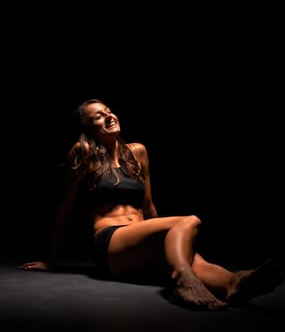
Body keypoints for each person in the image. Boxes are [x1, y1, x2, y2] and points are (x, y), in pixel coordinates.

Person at [19, 98, 282, 311]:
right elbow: (66, 209)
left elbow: (148, 204)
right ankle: (183, 283)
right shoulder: (82, 153)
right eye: (98, 116)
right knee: (188, 221)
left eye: (109, 111)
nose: (109, 116)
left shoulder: (138, 152)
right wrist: (51, 260)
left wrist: (168, 237)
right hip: (110, 244)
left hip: (139, 242)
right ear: (88, 128)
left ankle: (236, 282)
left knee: (191, 259)